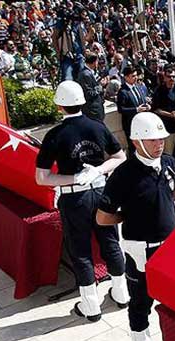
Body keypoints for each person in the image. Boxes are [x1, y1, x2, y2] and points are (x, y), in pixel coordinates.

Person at [96, 112, 175, 341]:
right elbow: (102, 217)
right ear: (136, 141)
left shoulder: (168, 162)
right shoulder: (123, 175)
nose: (159, 144)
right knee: (141, 303)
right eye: (153, 140)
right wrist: (128, 215)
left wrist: (160, 207)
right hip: (141, 250)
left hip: (170, 245)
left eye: (161, 139)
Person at [34, 81, 128, 322]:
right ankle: (121, 294)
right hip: (102, 192)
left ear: (59, 105)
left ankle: (91, 306)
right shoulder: (97, 126)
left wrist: (75, 178)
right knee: (111, 243)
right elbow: (120, 157)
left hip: (75, 197)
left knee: (81, 250)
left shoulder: (55, 135)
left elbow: (42, 178)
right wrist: (98, 170)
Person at [117, 67, 150, 147]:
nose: (136, 78)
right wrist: (136, 109)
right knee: (135, 148)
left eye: (136, 75)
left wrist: (147, 105)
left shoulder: (138, 87)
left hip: (142, 123)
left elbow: (142, 100)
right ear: (126, 77)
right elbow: (121, 109)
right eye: (133, 76)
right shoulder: (123, 92)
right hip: (131, 125)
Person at [76, 51, 106, 122]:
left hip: (96, 110)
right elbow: (89, 93)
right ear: (95, 62)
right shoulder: (85, 74)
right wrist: (100, 86)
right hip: (92, 111)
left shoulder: (89, 72)